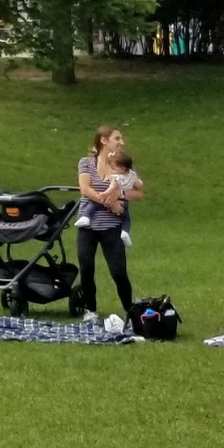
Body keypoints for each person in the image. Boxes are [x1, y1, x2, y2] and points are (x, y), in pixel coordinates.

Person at [76, 126, 143, 316]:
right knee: (87, 268)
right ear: (104, 140)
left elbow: (138, 193)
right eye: (117, 138)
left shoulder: (123, 165)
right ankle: (90, 310)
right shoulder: (86, 163)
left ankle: (129, 310)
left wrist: (120, 194)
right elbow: (85, 189)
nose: (122, 142)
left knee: (119, 272)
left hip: (112, 227)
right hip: (88, 225)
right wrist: (110, 204)